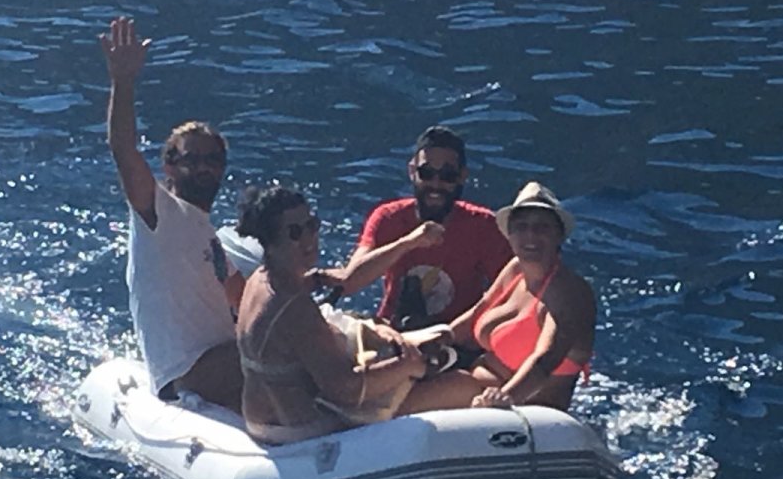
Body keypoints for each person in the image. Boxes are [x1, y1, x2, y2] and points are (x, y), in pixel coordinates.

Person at [100, 16, 245, 409]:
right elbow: (123, 148)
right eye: (191, 158)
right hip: (186, 372)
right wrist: (124, 81)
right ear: (168, 165)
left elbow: (242, 297)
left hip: (221, 360)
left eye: (214, 159)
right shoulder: (157, 213)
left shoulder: (207, 235)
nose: (204, 167)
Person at [235, 185, 428, 444]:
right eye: (295, 232)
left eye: (311, 225)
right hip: (298, 429)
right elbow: (346, 390)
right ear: (270, 242)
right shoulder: (295, 308)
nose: (309, 239)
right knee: (432, 386)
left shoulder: (259, 280)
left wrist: (318, 278)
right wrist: (406, 365)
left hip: (261, 419)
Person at [399, 181, 595, 414]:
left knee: (394, 407)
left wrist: (504, 397)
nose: (530, 235)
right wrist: (438, 339)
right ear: (509, 235)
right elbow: (478, 312)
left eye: (542, 227)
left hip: (523, 410)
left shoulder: (569, 293)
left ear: (558, 235)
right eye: (521, 227)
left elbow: (545, 361)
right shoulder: (516, 269)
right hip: (475, 382)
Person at [318, 125, 512, 330]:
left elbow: (512, 289)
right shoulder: (388, 218)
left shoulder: (483, 226)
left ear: (462, 176)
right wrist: (409, 243)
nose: (436, 184)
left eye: (447, 175)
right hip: (392, 332)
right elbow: (350, 282)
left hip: (456, 334)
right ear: (412, 171)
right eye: (426, 173)